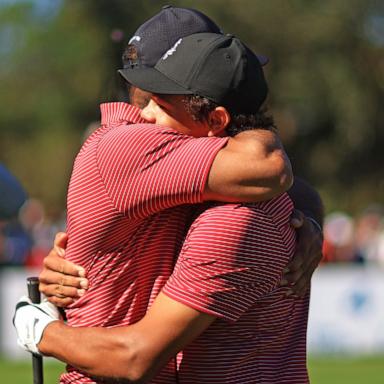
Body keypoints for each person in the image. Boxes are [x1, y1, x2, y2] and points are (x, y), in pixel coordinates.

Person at [15, 32, 321, 383]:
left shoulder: (233, 220)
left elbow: (134, 359)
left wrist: (41, 330)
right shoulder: (233, 195)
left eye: (162, 104)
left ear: (216, 121)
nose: (144, 117)